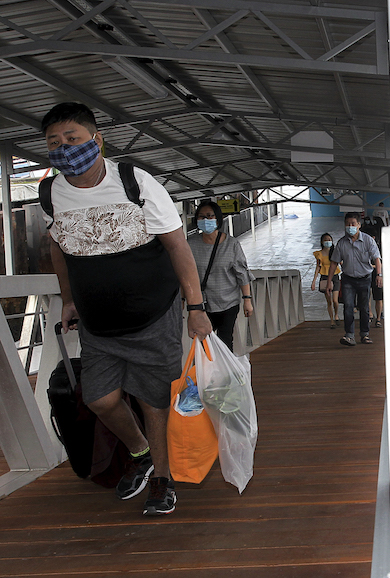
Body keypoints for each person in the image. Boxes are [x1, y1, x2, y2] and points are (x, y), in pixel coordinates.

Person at [42, 102, 213, 516]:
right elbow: (59, 250)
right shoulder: (51, 193)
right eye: (54, 143)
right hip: (97, 324)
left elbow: (177, 246)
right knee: (100, 398)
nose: (65, 149)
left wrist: (196, 306)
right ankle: (141, 452)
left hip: (152, 315)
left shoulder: (134, 182)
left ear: (96, 139)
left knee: (154, 399)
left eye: (73, 139)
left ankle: (162, 480)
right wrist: (68, 299)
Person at [188, 200, 254, 351]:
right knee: (204, 345)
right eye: (201, 216)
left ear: (217, 219)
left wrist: (247, 300)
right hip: (202, 305)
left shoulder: (232, 244)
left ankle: (225, 373)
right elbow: (186, 275)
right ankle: (206, 374)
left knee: (225, 343)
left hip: (228, 303)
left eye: (210, 216)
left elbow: (242, 274)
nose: (205, 220)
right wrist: (184, 299)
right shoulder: (190, 245)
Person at [326, 212, 382, 346]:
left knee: (364, 308)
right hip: (348, 280)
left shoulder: (368, 240)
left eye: (353, 224)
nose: (350, 226)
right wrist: (329, 281)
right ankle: (349, 335)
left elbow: (377, 258)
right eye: (347, 224)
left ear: (359, 225)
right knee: (348, 307)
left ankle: (365, 334)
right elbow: (334, 263)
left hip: (365, 278)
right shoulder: (341, 243)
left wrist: (379, 275)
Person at [310, 233, 341, 327]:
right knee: (329, 301)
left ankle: (336, 315)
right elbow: (318, 268)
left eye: (329, 239)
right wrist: (314, 281)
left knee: (335, 300)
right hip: (325, 278)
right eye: (326, 240)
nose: (328, 241)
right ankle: (332, 320)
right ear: (322, 242)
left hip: (335, 277)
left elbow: (341, 263)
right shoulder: (319, 254)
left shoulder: (335, 252)